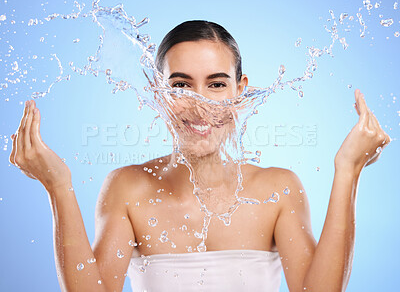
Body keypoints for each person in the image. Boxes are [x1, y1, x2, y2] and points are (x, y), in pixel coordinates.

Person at [9, 20, 390, 292]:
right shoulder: (128, 188)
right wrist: (58, 187)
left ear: (240, 93)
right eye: (180, 86)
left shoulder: (279, 189)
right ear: (157, 95)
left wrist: (349, 171)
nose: (198, 104)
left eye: (217, 84)